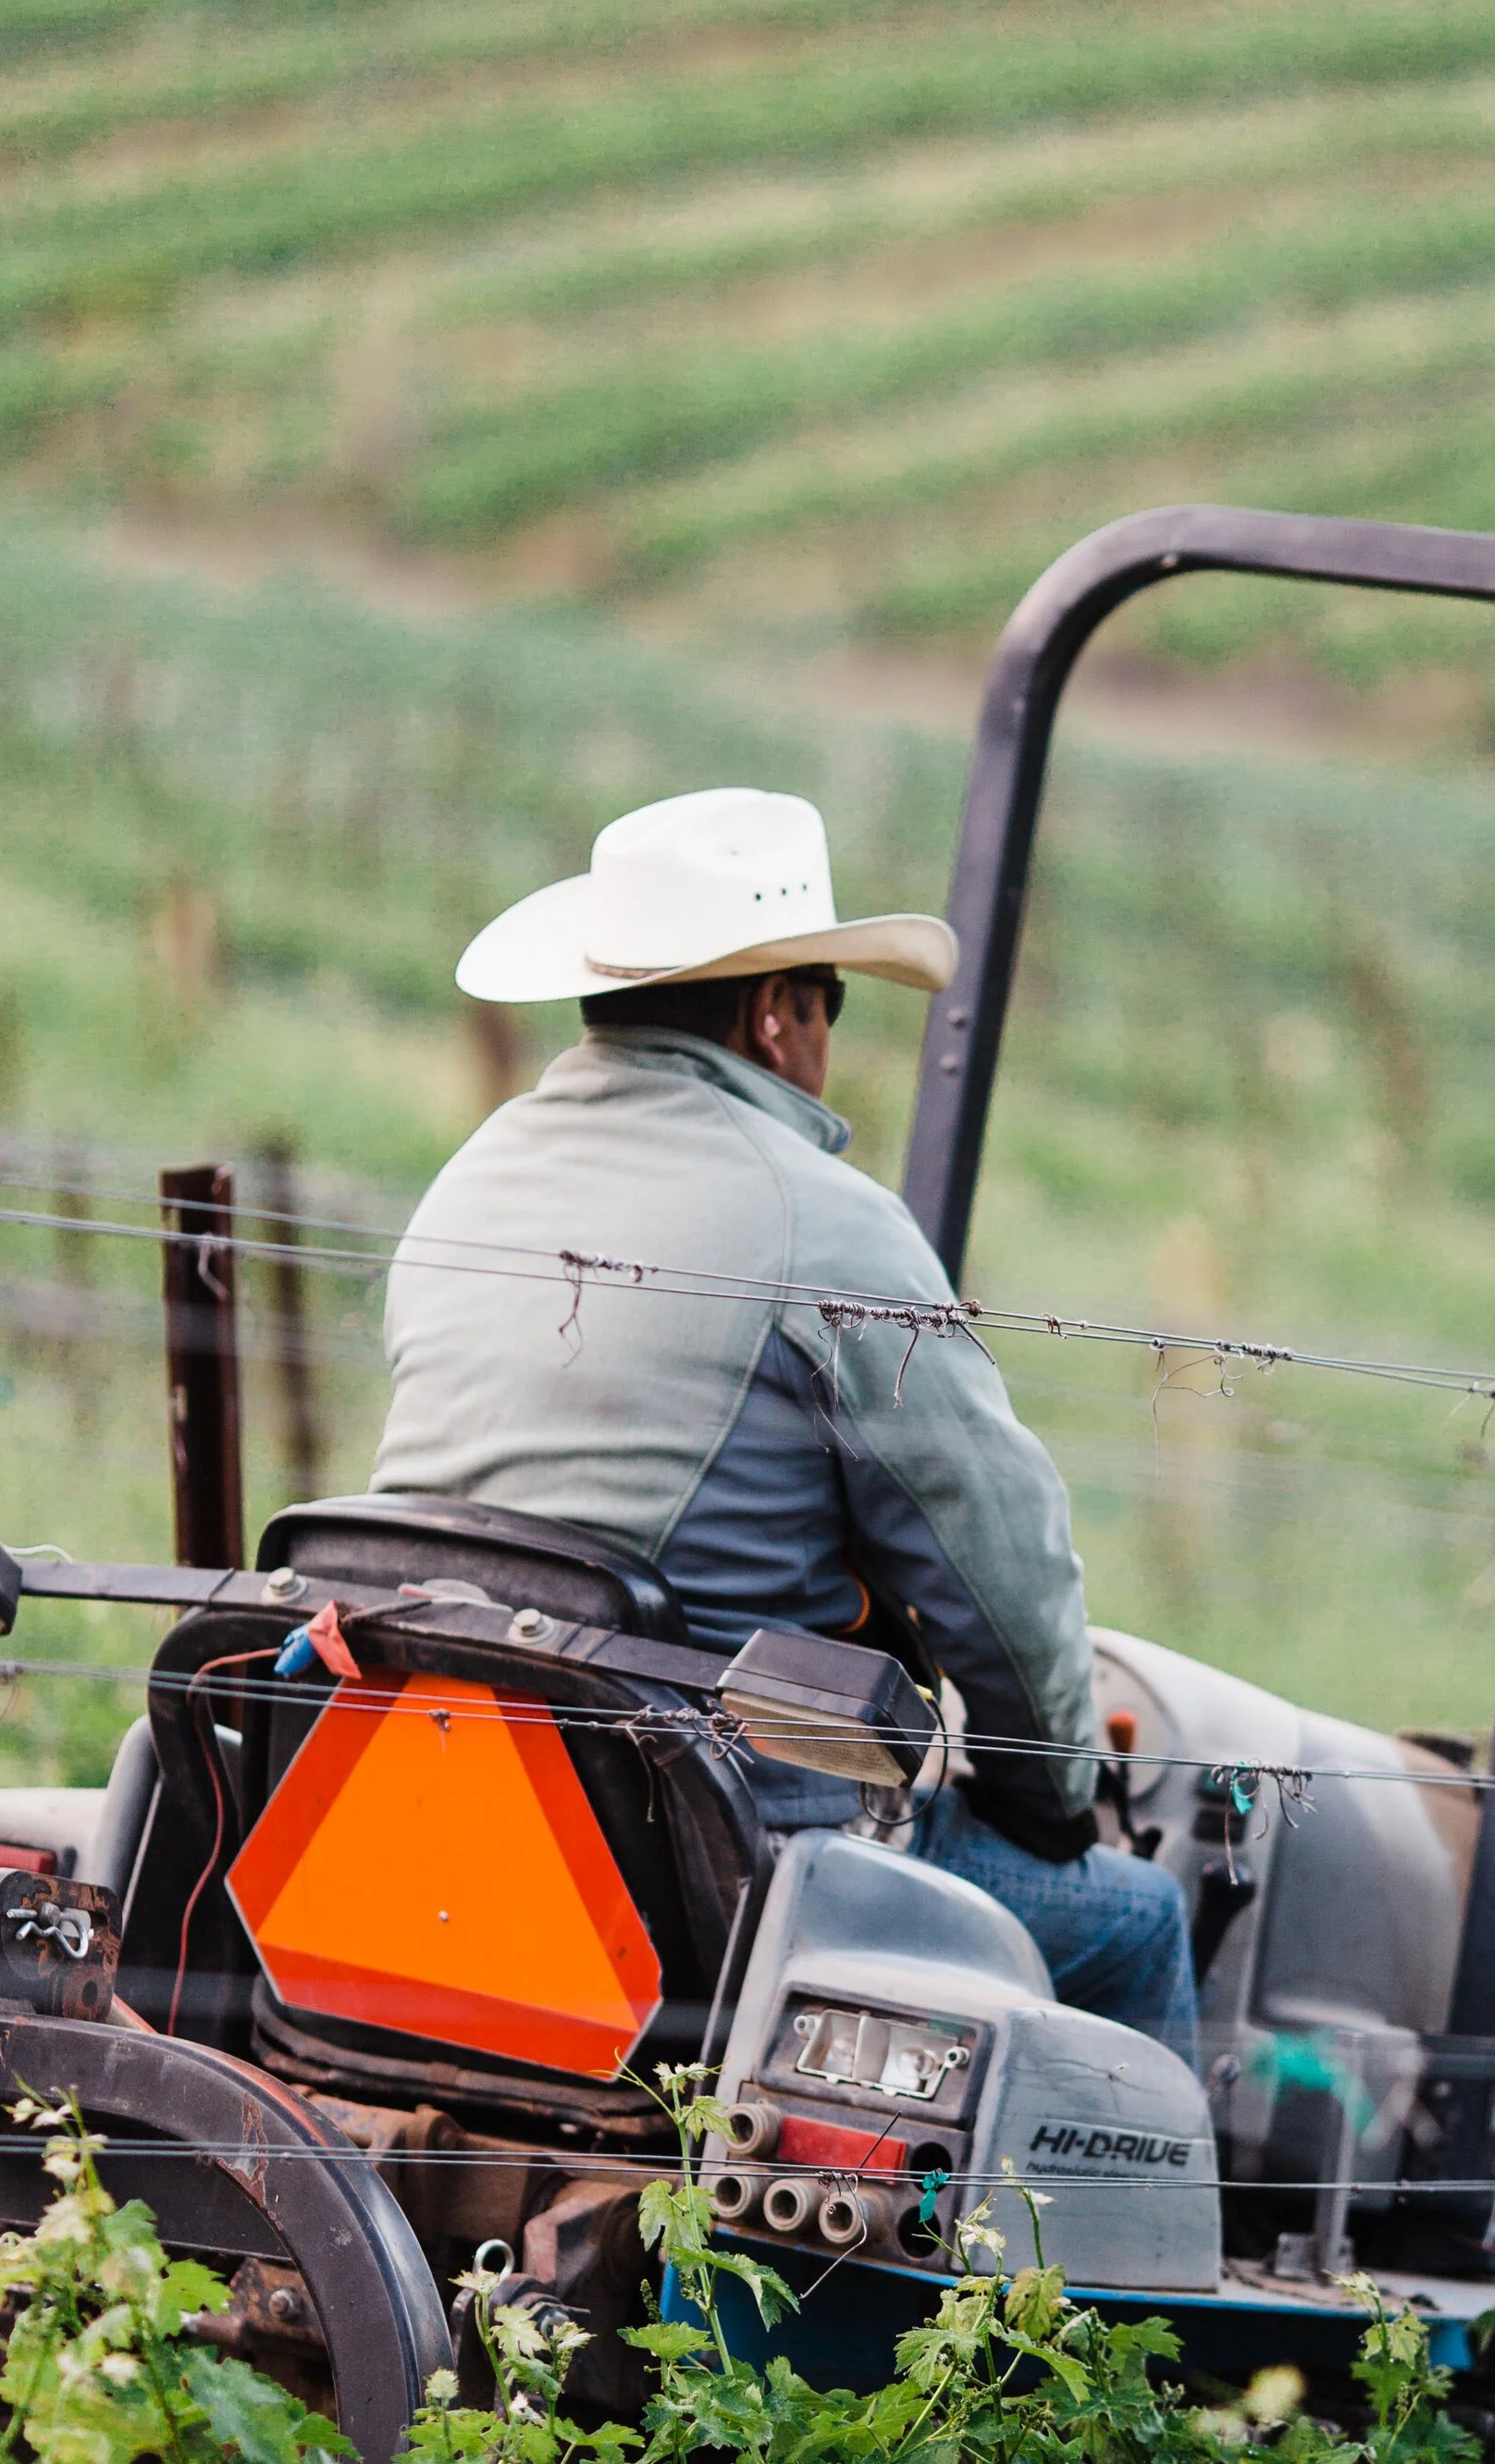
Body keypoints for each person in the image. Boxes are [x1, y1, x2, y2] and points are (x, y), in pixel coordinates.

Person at [369, 785, 1198, 2063]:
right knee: (1134, 1920)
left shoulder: (469, 1178)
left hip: (443, 1806)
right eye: (829, 1005)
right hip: (712, 1857)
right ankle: (1065, 2271)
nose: (827, 1040)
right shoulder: (829, 1222)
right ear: (775, 1014)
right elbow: (999, 1566)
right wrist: (1051, 1800)